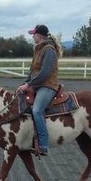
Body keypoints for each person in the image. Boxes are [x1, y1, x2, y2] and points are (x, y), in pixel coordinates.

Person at [18, 23, 62, 155]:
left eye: (34, 34)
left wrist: (28, 85)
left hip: (48, 85)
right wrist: (24, 83)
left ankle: (43, 144)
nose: (33, 37)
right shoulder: (38, 49)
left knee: (37, 111)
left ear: (40, 35)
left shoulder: (49, 50)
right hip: (37, 84)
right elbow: (32, 71)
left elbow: (45, 73)